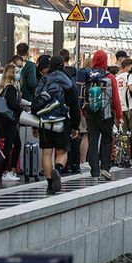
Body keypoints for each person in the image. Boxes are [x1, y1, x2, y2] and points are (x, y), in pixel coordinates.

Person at [36, 55, 80, 194]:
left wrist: (34, 125)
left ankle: (50, 184)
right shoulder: (68, 81)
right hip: (62, 120)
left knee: (46, 153)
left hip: (45, 121)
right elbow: (74, 105)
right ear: (63, 65)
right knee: (62, 152)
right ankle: (58, 170)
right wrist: (75, 126)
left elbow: (36, 101)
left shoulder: (43, 80)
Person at [85, 50, 123, 180]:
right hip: (106, 113)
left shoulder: (87, 75)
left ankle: (94, 170)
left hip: (90, 113)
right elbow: (116, 99)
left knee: (93, 140)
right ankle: (105, 168)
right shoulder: (110, 76)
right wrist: (119, 116)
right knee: (107, 140)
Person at [0, 64, 23, 181]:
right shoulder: (11, 87)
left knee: (14, 144)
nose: (18, 74)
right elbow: (13, 104)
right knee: (12, 145)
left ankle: (9, 170)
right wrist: (22, 109)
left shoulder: (4, 87)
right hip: (10, 120)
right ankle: (7, 171)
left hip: (5, 120)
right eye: (16, 72)